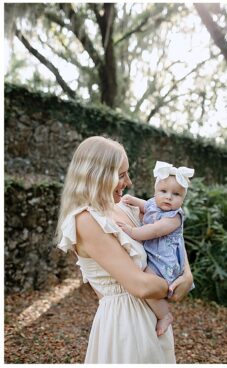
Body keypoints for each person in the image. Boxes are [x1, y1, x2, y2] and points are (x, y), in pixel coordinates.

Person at [55, 137, 194, 364]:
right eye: (121, 175)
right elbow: (140, 285)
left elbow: (169, 238)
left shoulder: (124, 207)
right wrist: (172, 287)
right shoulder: (86, 221)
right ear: (97, 175)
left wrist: (186, 275)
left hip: (151, 317)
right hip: (126, 326)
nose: (128, 182)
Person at [119, 161, 196, 337]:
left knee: (147, 278)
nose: (168, 197)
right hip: (155, 256)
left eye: (176, 194)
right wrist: (132, 200)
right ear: (155, 192)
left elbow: (154, 230)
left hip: (165, 261)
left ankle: (165, 315)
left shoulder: (174, 217)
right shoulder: (154, 204)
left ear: (183, 199)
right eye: (163, 191)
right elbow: (145, 206)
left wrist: (132, 231)